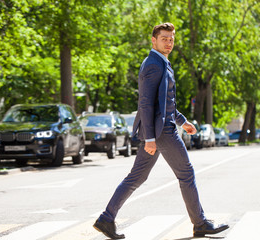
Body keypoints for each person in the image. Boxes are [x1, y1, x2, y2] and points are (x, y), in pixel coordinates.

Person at [93, 22, 229, 239]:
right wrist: (149, 138)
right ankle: (200, 223)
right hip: (162, 132)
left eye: (171, 38)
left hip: (159, 129)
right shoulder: (154, 64)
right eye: (164, 38)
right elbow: (146, 104)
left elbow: (165, 103)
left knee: (136, 177)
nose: (169, 42)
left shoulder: (161, 63)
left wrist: (182, 121)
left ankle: (106, 219)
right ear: (153, 40)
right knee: (186, 174)